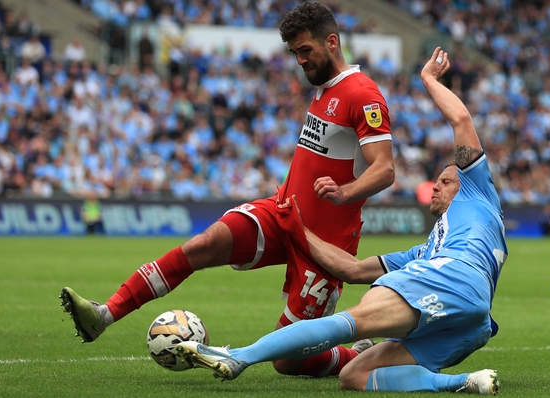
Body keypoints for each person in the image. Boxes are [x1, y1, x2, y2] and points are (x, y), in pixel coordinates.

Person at [60, 1, 395, 378]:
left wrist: (345, 192)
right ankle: (103, 316)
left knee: (288, 361)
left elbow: (384, 169)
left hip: (327, 246)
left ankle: (362, 357)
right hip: (282, 213)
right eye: (294, 53)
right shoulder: (323, 87)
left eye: (305, 51)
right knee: (202, 244)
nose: (299, 61)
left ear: (332, 42)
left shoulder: (363, 94)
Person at [175, 47, 505, 395]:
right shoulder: (427, 251)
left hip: (453, 276)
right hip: (474, 317)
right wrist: (300, 231)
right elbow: (353, 270)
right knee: (355, 375)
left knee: (350, 322)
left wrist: (427, 79)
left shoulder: (477, 192)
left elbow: (462, 121)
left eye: (446, 181)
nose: (436, 186)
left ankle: (240, 356)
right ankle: (466, 383)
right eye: (436, 181)